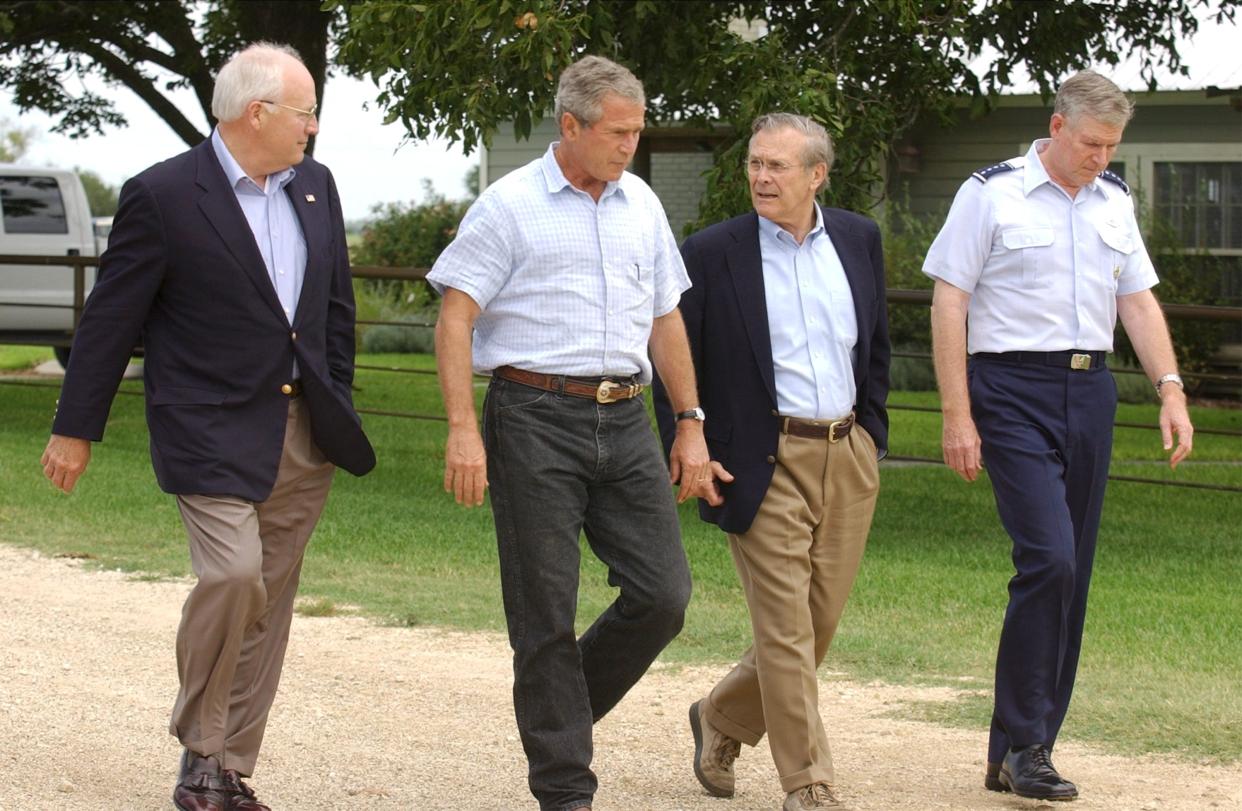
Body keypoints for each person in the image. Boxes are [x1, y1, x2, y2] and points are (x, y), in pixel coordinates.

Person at [39, 42, 375, 811]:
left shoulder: (316, 187)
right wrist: (74, 425)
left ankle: (230, 767)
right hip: (207, 427)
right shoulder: (162, 195)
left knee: (271, 601)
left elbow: (333, 311)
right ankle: (201, 746)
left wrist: (340, 400)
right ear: (257, 113)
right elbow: (111, 319)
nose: (314, 127)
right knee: (232, 578)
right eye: (305, 111)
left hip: (303, 430)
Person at [427, 55, 713, 811]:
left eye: (636, 132)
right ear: (571, 125)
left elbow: (665, 316)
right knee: (544, 608)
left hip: (627, 418)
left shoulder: (641, 204)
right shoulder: (509, 205)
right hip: (532, 416)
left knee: (664, 595)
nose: (629, 146)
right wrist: (463, 430)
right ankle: (565, 786)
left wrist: (690, 424)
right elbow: (455, 317)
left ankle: (556, 715)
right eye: (617, 133)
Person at [922, 69, 1193, 801]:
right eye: (1091, 143)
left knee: (1073, 573)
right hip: (1009, 387)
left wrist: (1169, 388)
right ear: (1057, 126)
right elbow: (951, 301)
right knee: (1049, 557)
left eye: (1112, 146)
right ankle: (1027, 742)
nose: (1100, 157)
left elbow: (1136, 301)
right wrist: (957, 412)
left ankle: (1014, 747)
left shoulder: (1112, 202)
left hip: (1090, 390)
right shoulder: (991, 192)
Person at [655, 113, 890, 811]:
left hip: (846, 453)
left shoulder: (859, 238)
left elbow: (874, 345)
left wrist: (871, 433)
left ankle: (721, 715)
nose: (761, 177)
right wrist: (687, 441)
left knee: (815, 628)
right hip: (759, 458)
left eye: (777, 166)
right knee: (785, 629)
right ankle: (808, 781)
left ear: (817, 174)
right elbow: (673, 354)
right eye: (755, 163)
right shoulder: (711, 251)